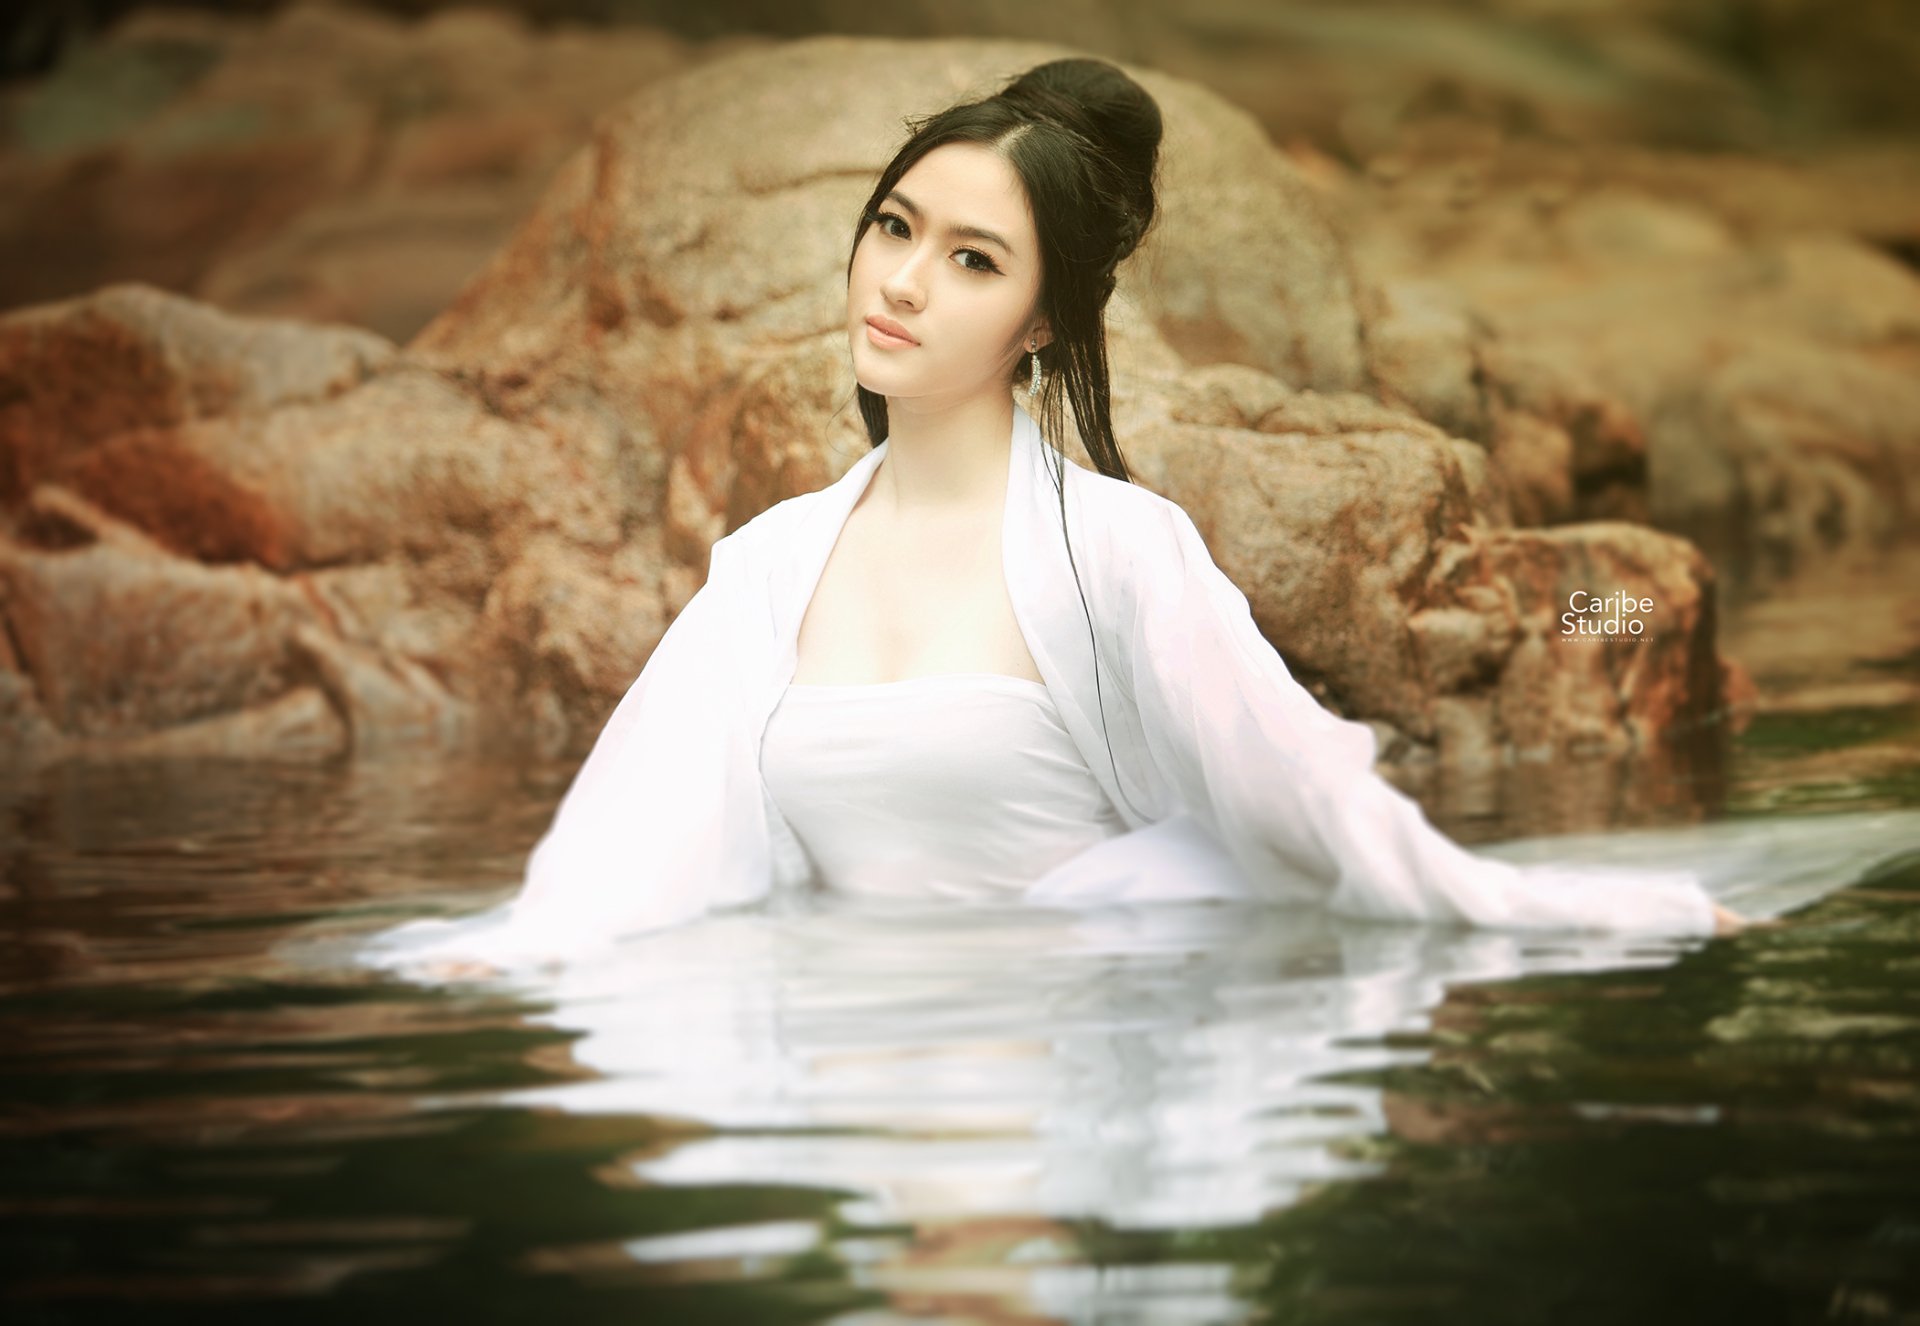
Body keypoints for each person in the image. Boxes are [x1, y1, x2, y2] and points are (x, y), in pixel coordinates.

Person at [362, 58, 1755, 983]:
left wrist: (1588, 913)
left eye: (969, 259)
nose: (902, 282)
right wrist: (513, 947)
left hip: (1081, 1054)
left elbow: (1308, 794)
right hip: (844, 1091)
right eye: (896, 227)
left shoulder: (1120, 554)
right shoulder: (770, 566)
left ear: (1040, 319)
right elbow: (632, 833)